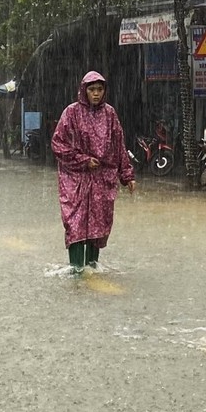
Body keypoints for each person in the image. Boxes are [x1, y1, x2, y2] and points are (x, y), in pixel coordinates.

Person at [50, 71, 136, 273]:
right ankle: (76, 270)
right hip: (75, 179)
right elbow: (58, 144)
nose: (96, 94)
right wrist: (83, 160)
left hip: (102, 179)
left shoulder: (110, 114)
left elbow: (118, 145)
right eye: (92, 90)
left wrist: (127, 175)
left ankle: (92, 268)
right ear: (84, 91)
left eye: (99, 89)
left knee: (98, 223)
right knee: (75, 223)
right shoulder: (71, 113)